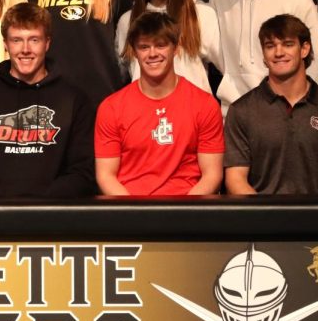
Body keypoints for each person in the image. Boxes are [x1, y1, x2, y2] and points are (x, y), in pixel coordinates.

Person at [0, 2, 96, 197]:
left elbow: (82, 170)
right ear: (6, 44)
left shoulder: (74, 99)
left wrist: (39, 207)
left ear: (47, 43)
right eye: (17, 40)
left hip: (54, 218)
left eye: (34, 40)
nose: (25, 49)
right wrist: (3, 206)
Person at [95, 12, 224, 196]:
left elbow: (212, 175)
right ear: (134, 51)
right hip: (131, 213)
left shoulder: (204, 105)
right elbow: (106, 175)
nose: (152, 53)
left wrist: (179, 215)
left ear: (176, 48)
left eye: (161, 45)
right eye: (144, 47)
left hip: (187, 213)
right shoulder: (111, 108)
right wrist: (137, 215)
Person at [224, 14, 318, 195]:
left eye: (287, 44)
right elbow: (235, 178)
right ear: (263, 54)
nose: (278, 53)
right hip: (261, 220)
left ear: (304, 49)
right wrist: (265, 219)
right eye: (270, 46)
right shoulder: (241, 111)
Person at [115, 0, 219, 94]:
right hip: (144, 114)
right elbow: (120, 74)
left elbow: (228, 69)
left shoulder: (201, 14)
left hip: (191, 113)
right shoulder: (128, 20)